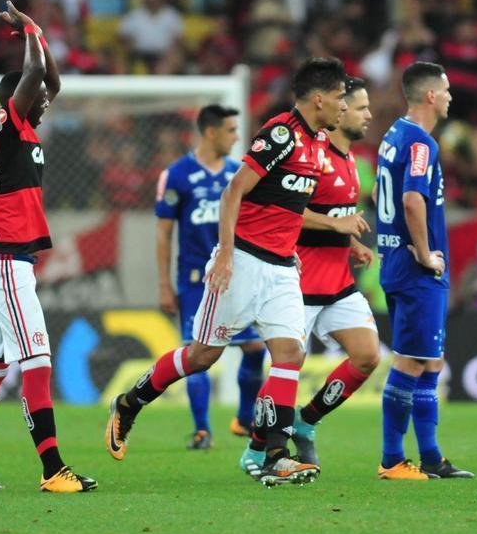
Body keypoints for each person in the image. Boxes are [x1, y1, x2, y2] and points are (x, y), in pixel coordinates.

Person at [105, 57, 349, 487]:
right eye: (341, 97)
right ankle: (130, 402)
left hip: (281, 267)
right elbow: (234, 190)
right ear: (318, 98)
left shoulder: (318, 143)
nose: (344, 106)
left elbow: (286, 205)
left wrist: (300, 238)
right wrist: (226, 255)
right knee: (203, 355)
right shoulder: (280, 135)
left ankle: (273, 453)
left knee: (290, 353)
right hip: (244, 261)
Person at [0, 1, 97, 494]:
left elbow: (51, 82)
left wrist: (41, 33)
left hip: (6, 262)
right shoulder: (3, 126)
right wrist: (28, 30)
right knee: (37, 360)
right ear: (16, 101)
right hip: (5, 262)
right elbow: (34, 75)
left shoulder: (19, 128)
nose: (45, 103)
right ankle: (53, 468)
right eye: (35, 100)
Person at [374, 61, 473, 480]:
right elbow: (413, 201)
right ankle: (392, 459)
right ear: (431, 95)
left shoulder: (393, 135)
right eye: (446, 90)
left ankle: (431, 457)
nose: (450, 96)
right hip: (416, 269)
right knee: (412, 361)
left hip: (396, 261)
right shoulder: (421, 144)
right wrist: (426, 252)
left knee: (430, 360)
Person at [154, 104, 267, 450]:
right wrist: (164, 284)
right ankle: (202, 430)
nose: (237, 137)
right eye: (231, 131)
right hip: (194, 280)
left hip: (236, 275)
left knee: (254, 346)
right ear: (210, 132)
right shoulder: (176, 175)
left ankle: (245, 417)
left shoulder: (238, 173)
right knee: (197, 352)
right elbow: (163, 234)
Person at [288, 77, 380, 467]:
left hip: (338, 282)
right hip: (299, 283)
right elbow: (288, 212)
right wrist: (337, 227)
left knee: (367, 357)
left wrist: (351, 243)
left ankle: (306, 422)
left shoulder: (354, 164)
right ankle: (258, 450)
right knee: (286, 369)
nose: (368, 115)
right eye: (360, 108)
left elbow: (336, 216)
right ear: (340, 112)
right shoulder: (313, 156)